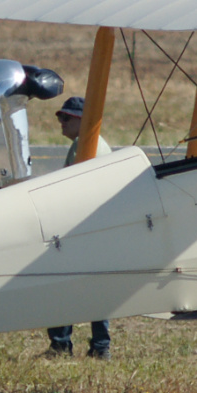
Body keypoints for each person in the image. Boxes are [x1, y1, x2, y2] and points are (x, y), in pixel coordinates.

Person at [45, 95, 113, 359]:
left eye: (66, 118)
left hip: (82, 230)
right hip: (95, 229)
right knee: (95, 289)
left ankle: (63, 345)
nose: (61, 122)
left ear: (82, 121)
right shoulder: (89, 143)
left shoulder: (85, 145)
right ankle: (99, 347)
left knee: (60, 286)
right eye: (60, 117)